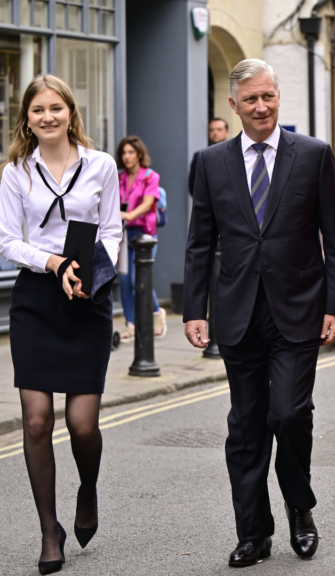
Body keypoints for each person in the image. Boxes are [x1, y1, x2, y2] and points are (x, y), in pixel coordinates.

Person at [183, 59, 335, 568]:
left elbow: (333, 240)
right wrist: (193, 310)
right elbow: (200, 242)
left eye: (268, 96)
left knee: (289, 414)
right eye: (250, 99)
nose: (262, 106)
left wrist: (332, 305)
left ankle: (300, 507)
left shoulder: (314, 155)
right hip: (237, 314)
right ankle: (253, 532)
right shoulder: (209, 162)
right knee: (246, 427)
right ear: (233, 105)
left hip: (299, 310)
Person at [0, 75, 120, 574]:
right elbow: (7, 241)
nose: (47, 117)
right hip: (36, 298)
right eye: (37, 111)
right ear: (26, 119)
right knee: (35, 420)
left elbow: (112, 229)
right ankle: (50, 530)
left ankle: (87, 489)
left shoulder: (102, 166)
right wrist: (52, 264)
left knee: (82, 424)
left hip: (86, 298)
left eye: (56, 108)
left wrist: (90, 271)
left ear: (71, 112)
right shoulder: (14, 172)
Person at [115, 135, 165, 340]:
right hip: (125, 234)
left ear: (139, 154)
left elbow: (148, 203)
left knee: (139, 278)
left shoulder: (150, 176)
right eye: (123, 153)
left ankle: (156, 313)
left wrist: (129, 215)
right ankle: (131, 324)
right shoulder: (119, 178)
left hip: (145, 234)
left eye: (130, 152)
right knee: (125, 280)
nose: (126, 157)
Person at [189, 117, 231, 196]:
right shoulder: (200, 156)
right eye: (211, 130)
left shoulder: (237, 154)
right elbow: (193, 187)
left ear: (227, 132)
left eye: (219, 129)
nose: (215, 132)